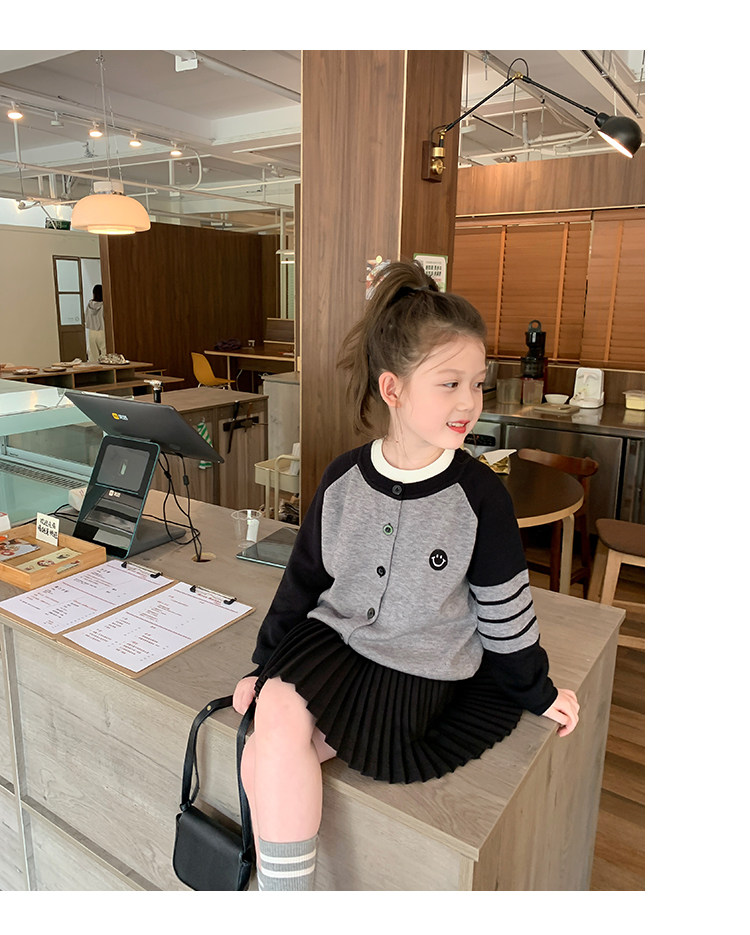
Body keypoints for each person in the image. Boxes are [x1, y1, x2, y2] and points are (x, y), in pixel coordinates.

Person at [232, 259, 580, 891]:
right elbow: (302, 582)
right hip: (333, 643)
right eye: (449, 384)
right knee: (274, 707)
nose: (469, 402)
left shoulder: (480, 496)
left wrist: (537, 691)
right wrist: (262, 664)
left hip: (417, 668)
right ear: (392, 389)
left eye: (477, 384)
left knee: (270, 746)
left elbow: (505, 611)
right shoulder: (343, 477)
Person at [84, 284, 106, 361]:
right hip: (103, 331)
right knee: (105, 353)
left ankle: (93, 368)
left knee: (93, 355)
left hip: (91, 331)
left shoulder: (89, 305)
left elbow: (86, 318)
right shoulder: (104, 305)